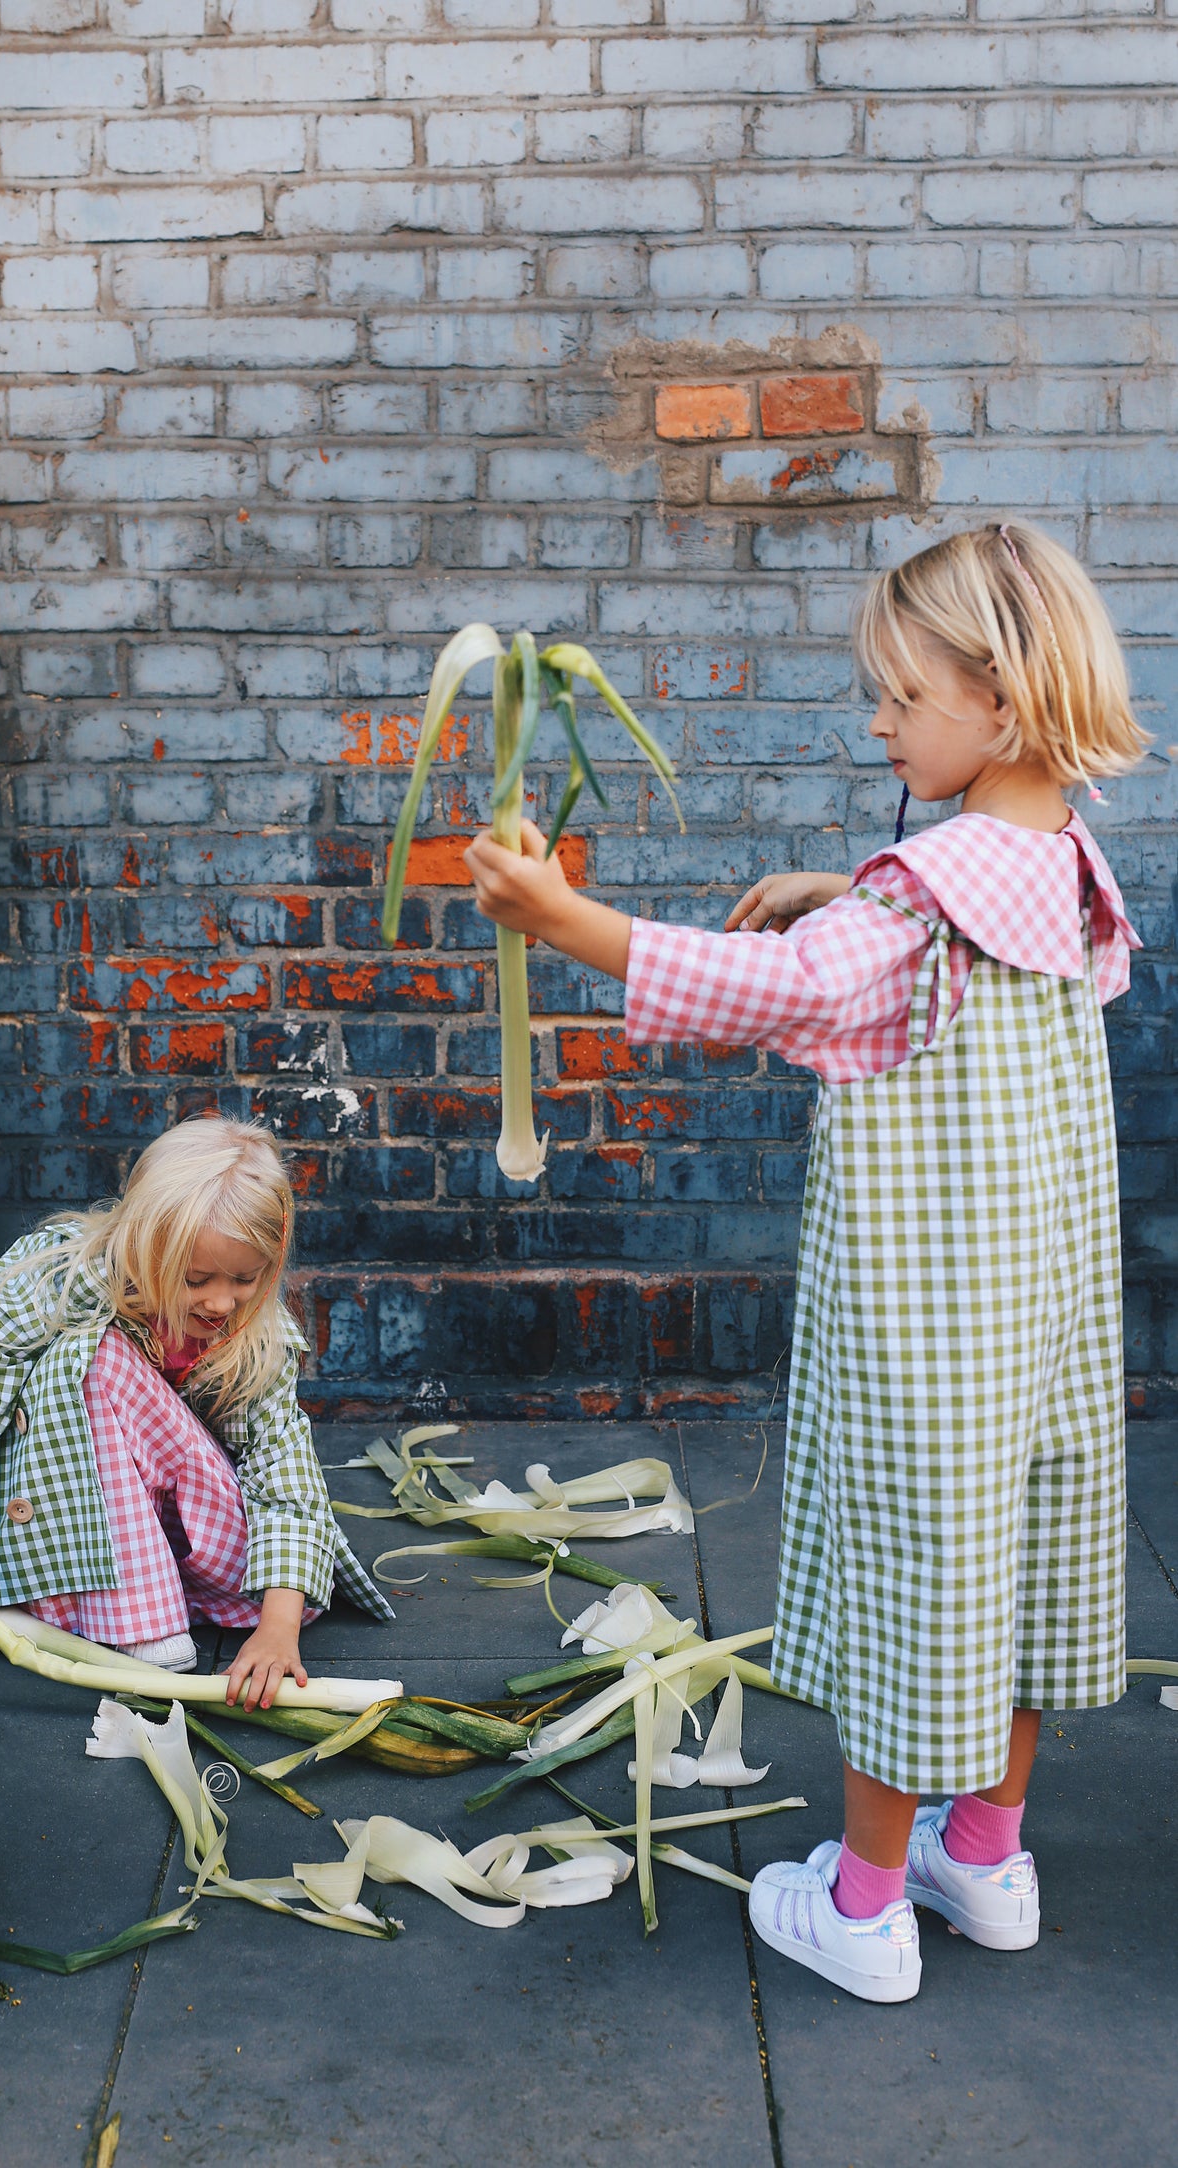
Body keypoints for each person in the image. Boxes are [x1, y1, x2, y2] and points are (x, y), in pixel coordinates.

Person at [463, 522, 1148, 2002]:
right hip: (1039, 1327)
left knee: (913, 1580)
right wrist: (842, 889)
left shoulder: (918, 889)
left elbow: (773, 989)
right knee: (1018, 1567)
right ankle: (987, 1858)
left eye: (901, 695)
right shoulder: (1067, 858)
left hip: (924, 1326)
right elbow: (959, 942)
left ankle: (864, 1903)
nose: (879, 722)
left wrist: (565, 919)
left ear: (1001, 701)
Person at [0, 1116, 392, 1708]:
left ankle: (145, 1599)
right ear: (141, 1244)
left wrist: (278, 1627)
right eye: (194, 1279)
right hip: (72, 1522)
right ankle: (140, 1619)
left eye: (244, 1278)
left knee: (137, 1381)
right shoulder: (59, 1277)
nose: (220, 1301)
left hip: (193, 1535)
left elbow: (282, 1473)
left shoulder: (258, 1333)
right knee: (96, 1355)